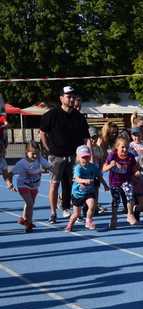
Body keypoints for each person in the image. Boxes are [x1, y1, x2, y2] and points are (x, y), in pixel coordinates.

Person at [40, 86, 90, 224]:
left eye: (73, 96)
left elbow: (86, 138)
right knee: (54, 184)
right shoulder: (51, 115)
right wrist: (48, 149)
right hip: (56, 156)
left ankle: (75, 211)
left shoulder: (79, 117)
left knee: (76, 184)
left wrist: (86, 154)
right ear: (61, 98)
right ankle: (53, 213)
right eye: (68, 96)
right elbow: (42, 132)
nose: (72, 99)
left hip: (75, 157)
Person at [5, 143, 50, 232]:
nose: (35, 155)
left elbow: (49, 166)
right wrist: (10, 184)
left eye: (37, 153)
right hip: (23, 185)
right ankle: (28, 224)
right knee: (29, 203)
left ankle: (24, 219)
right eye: (33, 153)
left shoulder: (39, 159)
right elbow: (10, 174)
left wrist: (53, 170)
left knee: (30, 204)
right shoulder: (21, 163)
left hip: (34, 186)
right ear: (26, 152)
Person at [66, 145, 107, 232]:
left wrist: (105, 184)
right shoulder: (78, 168)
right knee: (76, 214)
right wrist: (85, 181)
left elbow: (99, 176)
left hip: (89, 192)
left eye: (87, 157)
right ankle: (70, 224)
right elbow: (77, 179)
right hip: (78, 193)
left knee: (92, 205)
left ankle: (88, 220)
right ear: (78, 158)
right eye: (83, 157)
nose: (85, 159)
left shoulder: (92, 166)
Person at [103, 136, 138, 229]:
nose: (125, 149)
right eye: (122, 147)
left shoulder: (131, 157)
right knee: (116, 200)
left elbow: (134, 169)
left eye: (127, 147)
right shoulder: (112, 155)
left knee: (130, 194)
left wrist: (137, 174)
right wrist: (111, 165)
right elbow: (104, 169)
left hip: (126, 180)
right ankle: (114, 218)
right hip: (114, 182)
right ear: (117, 147)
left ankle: (130, 214)